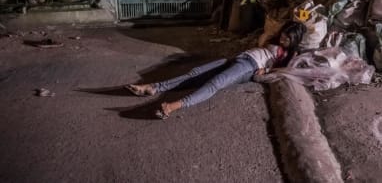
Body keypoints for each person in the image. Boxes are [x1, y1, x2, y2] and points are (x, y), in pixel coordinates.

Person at [125, 21, 306, 119]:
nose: (283, 39)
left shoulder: (290, 54)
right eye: (284, 34)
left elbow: (284, 70)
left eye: (288, 39)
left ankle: (171, 107)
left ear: (295, 41)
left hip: (249, 66)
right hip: (240, 57)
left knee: (214, 84)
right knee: (195, 73)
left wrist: (265, 72)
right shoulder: (274, 40)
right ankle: (153, 87)